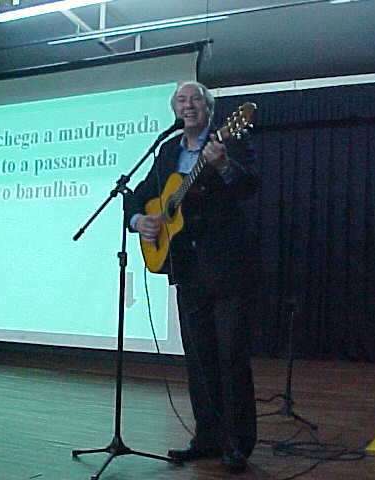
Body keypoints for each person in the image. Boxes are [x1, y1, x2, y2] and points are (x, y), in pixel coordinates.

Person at [126, 81, 258, 473]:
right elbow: (140, 194)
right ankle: (207, 438)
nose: (189, 105)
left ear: (209, 107)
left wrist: (222, 165)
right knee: (199, 358)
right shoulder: (168, 150)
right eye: (182, 100)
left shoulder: (227, 142)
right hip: (187, 269)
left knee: (231, 356)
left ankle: (238, 444)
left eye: (196, 99)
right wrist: (140, 221)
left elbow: (251, 185)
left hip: (227, 267)